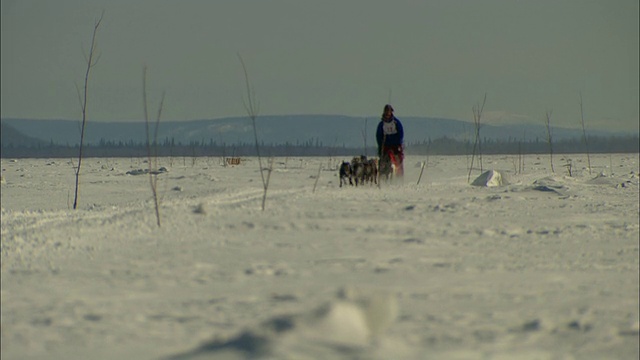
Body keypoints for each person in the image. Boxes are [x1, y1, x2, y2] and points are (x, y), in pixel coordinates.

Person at [376, 104, 404, 178]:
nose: (388, 114)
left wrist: (398, 142)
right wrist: (380, 145)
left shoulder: (396, 123)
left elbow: (400, 134)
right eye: (386, 112)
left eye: (389, 112)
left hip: (395, 146)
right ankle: (383, 176)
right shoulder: (382, 124)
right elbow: (379, 136)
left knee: (398, 161)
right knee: (383, 161)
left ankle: (399, 177)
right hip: (385, 146)